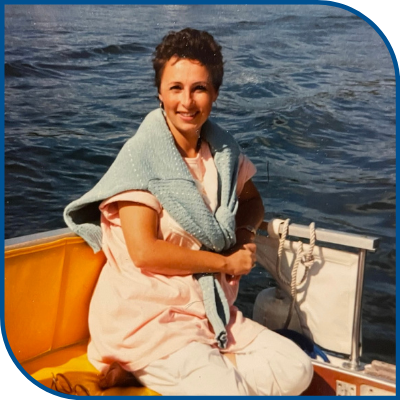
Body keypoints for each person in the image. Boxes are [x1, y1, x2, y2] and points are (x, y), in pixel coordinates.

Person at [64, 27, 313, 396]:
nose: (187, 101)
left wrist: (243, 235)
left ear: (215, 93)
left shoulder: (223, 153)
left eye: (199, 88)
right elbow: (144, 251)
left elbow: (251, 202)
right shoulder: (142, 157)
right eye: (175, 88)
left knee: (297, 369)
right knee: (229, 391)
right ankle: (146, 363)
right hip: (147, 317)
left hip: (206, 310)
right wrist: (225, 263)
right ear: (159, 92)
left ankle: (174, 372)